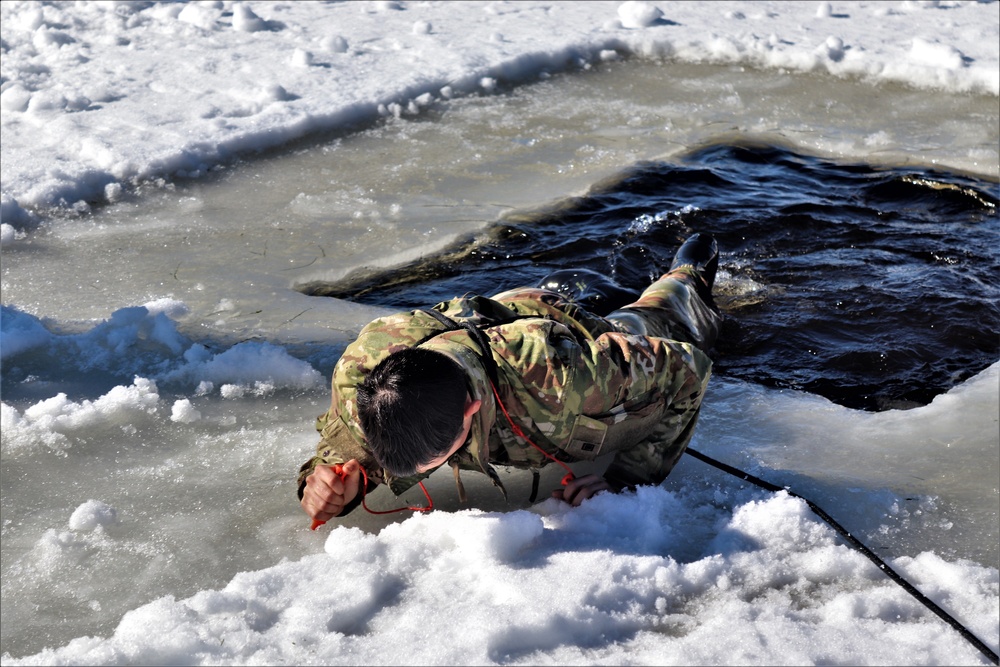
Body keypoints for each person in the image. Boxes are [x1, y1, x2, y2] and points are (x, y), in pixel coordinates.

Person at [298, 233, 723, 523]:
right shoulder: (363, 381)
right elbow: (341, 451)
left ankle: (687, 269)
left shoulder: (564, 378)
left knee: (658, 314)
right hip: (480, 325)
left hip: (555, 330)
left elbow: (690, 372)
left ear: (472, 410)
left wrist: (626, 482)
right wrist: (335, 484)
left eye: (440, 457)